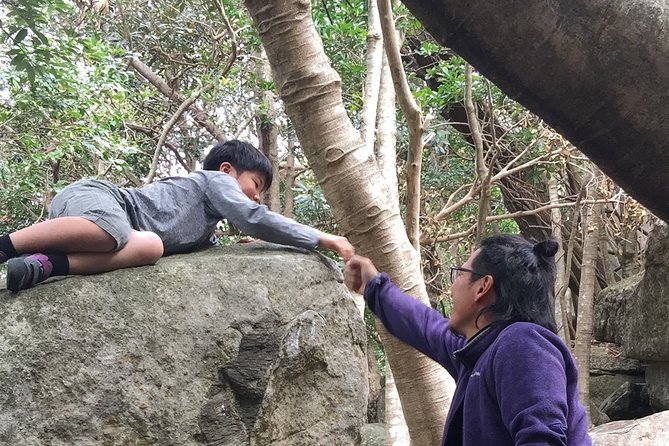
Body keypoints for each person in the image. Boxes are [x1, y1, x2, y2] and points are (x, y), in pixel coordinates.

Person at [0, 140, 354, 292]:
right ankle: (6, 246)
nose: (257, 196)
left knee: (150, 247)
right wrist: (321, 237)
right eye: (255, 184)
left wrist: (249, 245)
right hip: (98, 198)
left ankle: (43, 265)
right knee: (112, 232)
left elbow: (243, 226)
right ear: (228, 171)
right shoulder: (214, 180)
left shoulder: (203, 229)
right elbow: (252, 216)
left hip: (122, 233)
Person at [344, 234, 591, 446]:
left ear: (483, 286)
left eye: (459, 274)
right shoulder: (480, 353)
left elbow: (542, 439)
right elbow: (425, 326)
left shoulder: (523, 344)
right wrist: (373, 287)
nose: (452, 288)